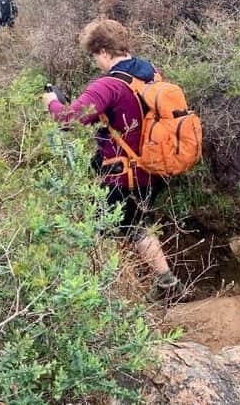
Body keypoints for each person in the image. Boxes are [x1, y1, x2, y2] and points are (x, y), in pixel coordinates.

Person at [42, 19, 182, 301]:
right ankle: (166, 282)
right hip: (152, 169)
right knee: (135, 226)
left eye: (94, 57)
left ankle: (107, 293)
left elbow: (69, 119)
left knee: (98, 228)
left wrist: (51, 103)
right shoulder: (152, 73)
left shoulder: (108, 85)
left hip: (121, 175)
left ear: (104, 51)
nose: (96, 63)